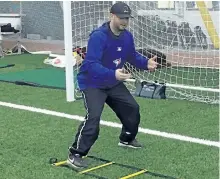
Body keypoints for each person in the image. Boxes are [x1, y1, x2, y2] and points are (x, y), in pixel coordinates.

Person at [67, 2, 158, 168]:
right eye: (121, 18)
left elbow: (131, 55)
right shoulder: (98, 36)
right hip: (92, 83)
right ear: (112, 16)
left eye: (127, 18)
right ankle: (76, 154)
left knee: (132, 108)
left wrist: (146, 64)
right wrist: (113, 73)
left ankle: (126, 139)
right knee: (93, 117)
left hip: (112, 82)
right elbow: (91, 64)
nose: (125, 21)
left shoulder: (127, 36)